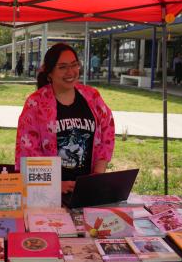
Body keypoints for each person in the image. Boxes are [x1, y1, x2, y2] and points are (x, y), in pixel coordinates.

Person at [15, 43, 115, 195]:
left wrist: (97, 175)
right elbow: (27, 152)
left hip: (88, 191)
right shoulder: (35, 104)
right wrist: (55, 185)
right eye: (62, 67)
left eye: (74, 65)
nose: (71, 72)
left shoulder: (92, 96)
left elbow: (108, 132)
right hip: (50, 195)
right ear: (50, 73)